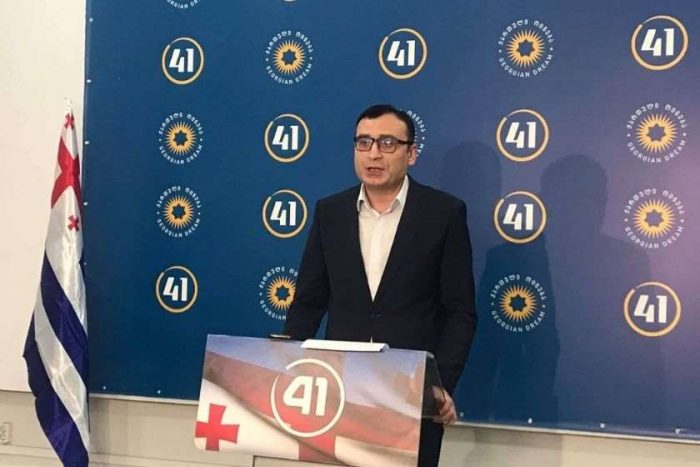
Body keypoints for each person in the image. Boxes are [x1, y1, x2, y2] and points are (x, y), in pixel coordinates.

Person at [283, 104, 477, 466]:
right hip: (340, 391)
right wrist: (285, 366)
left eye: (387, 143)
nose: (373, 154)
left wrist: (440, 385)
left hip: (411, 394)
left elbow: (460, 312)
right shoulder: (330, 212)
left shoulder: (444, 214)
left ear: (411, 153)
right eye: (364, 142)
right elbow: (308, 302)